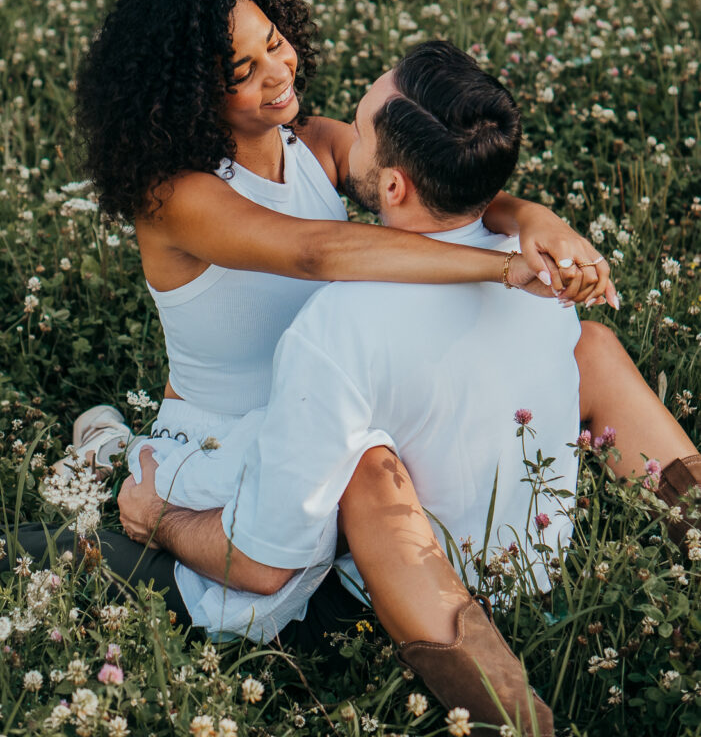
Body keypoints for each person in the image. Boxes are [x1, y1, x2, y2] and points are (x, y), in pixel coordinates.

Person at [118, 42, 700, 735]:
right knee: (594, 348)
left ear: (392, 187)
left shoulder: (335, 325)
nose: (335, 134)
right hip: (543, 564)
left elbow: (263, 566)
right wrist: (531, 218)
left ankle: (507, 712)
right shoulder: (548, 272)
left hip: (397, 598)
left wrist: (161, 518)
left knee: (365, 471)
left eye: (358, 132)